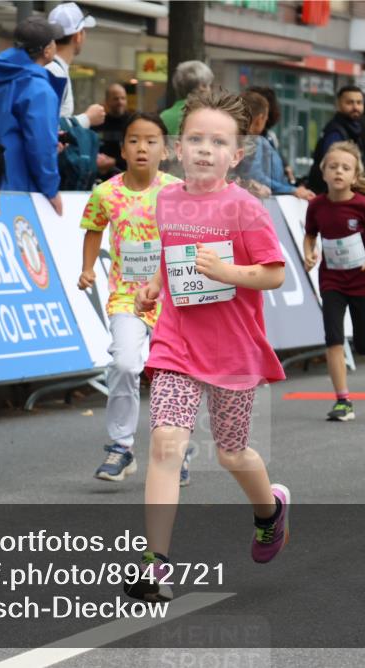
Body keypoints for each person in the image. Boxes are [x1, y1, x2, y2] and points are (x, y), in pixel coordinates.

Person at [123, 90, 290, 602]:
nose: (204, 149)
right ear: (177, 147)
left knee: (232, 454)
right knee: (166, 445)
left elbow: (274, 274)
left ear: (235, 155)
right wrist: (155, 282)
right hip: (177, 341)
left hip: (233, 348)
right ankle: (155, 563)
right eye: (195, 138)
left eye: (218, 142)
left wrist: (228, 272)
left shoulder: (244, 208)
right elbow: (172, 250)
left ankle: (270, 510)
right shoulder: (166, 198)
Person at [76, 113, 185, 484]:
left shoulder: (176, 191)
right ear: (122, 149)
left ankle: (173, 450)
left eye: (151, 141)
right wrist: (88, 268)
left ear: (165, 150)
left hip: (172, 299)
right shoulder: (105, 192)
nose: (142, 148)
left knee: (171, 376)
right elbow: (93, 229)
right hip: (127, 297)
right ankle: (121, 446)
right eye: (134, 140)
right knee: (124, 363)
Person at [303, 141, 365, 422]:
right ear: (323, 172)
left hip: (362, 279)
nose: (339, 172)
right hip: (331, 279)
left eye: (346, 168)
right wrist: (310, 254)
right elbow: (310, 234)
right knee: (333, 337)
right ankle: (343, 400)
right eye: (333, 167)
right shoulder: (317, 206)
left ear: (355, 176)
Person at [0, 17, 65, 215]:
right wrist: (51, 189)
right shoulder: (39, 88)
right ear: (48, 50)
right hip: (20, 186)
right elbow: (41, 144)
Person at [238, 91, 313, 200]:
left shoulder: (233, 140)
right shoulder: (255, 142)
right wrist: (292, 190)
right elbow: (256, 177)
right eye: (265, 119)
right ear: (260, 119)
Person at [46, 2, 105, 129]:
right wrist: (87, 118)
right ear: (78, 36)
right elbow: (47, 126)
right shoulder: (54, 72)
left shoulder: (51, 68)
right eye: (83, 31)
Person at [308, 85, 365, 195]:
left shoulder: (360, 128)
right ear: (338, 105)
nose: (355, 107)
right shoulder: (335, 132)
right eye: (349, 103)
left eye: (359, 103)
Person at [159, 60, 213, 137]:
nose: (210, 89)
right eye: (209, 85)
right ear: (202, 87)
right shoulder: (211, 115)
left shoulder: (163, 117)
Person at [91, 83, 132, 178]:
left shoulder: (132, 123)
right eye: (116, 99)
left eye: (123, 98)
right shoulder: (97, 122)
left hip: (126, 176)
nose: (120, 102)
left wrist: (114, 162)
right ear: (106, 101)